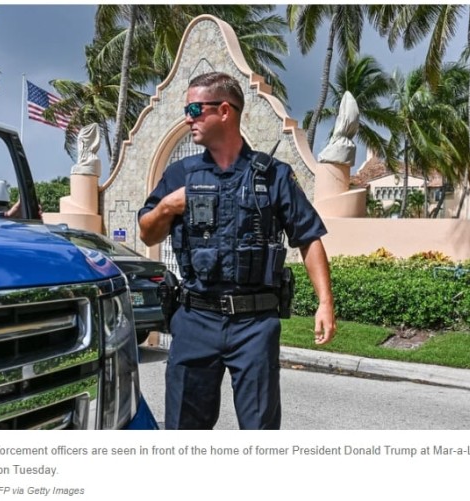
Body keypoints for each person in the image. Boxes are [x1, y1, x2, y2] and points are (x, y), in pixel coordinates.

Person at [138, 71, 336, 430]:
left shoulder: (274, 175)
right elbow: (147, 234)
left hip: (254, 324)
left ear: (225, 111)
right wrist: (167, 206)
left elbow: (308, 237)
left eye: (196, 109)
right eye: (188, 110)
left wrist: (325, 303)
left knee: (259, 429)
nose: (189, 118)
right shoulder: (180, 174)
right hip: (195, 318)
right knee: (184, 429)